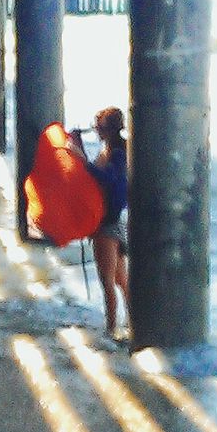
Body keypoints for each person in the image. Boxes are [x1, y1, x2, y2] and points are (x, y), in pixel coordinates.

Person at [74, 106, 130, 343]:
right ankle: (131, 324)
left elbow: (110, 180)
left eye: (99, 127)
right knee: (120, 280)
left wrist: (83, 161)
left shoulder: (117, 152)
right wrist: (80, 149)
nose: (96, 130)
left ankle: (111, 331)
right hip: (112, 221)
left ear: (108, 130)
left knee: (108, 281)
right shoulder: (111, 148)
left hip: (107, 225)